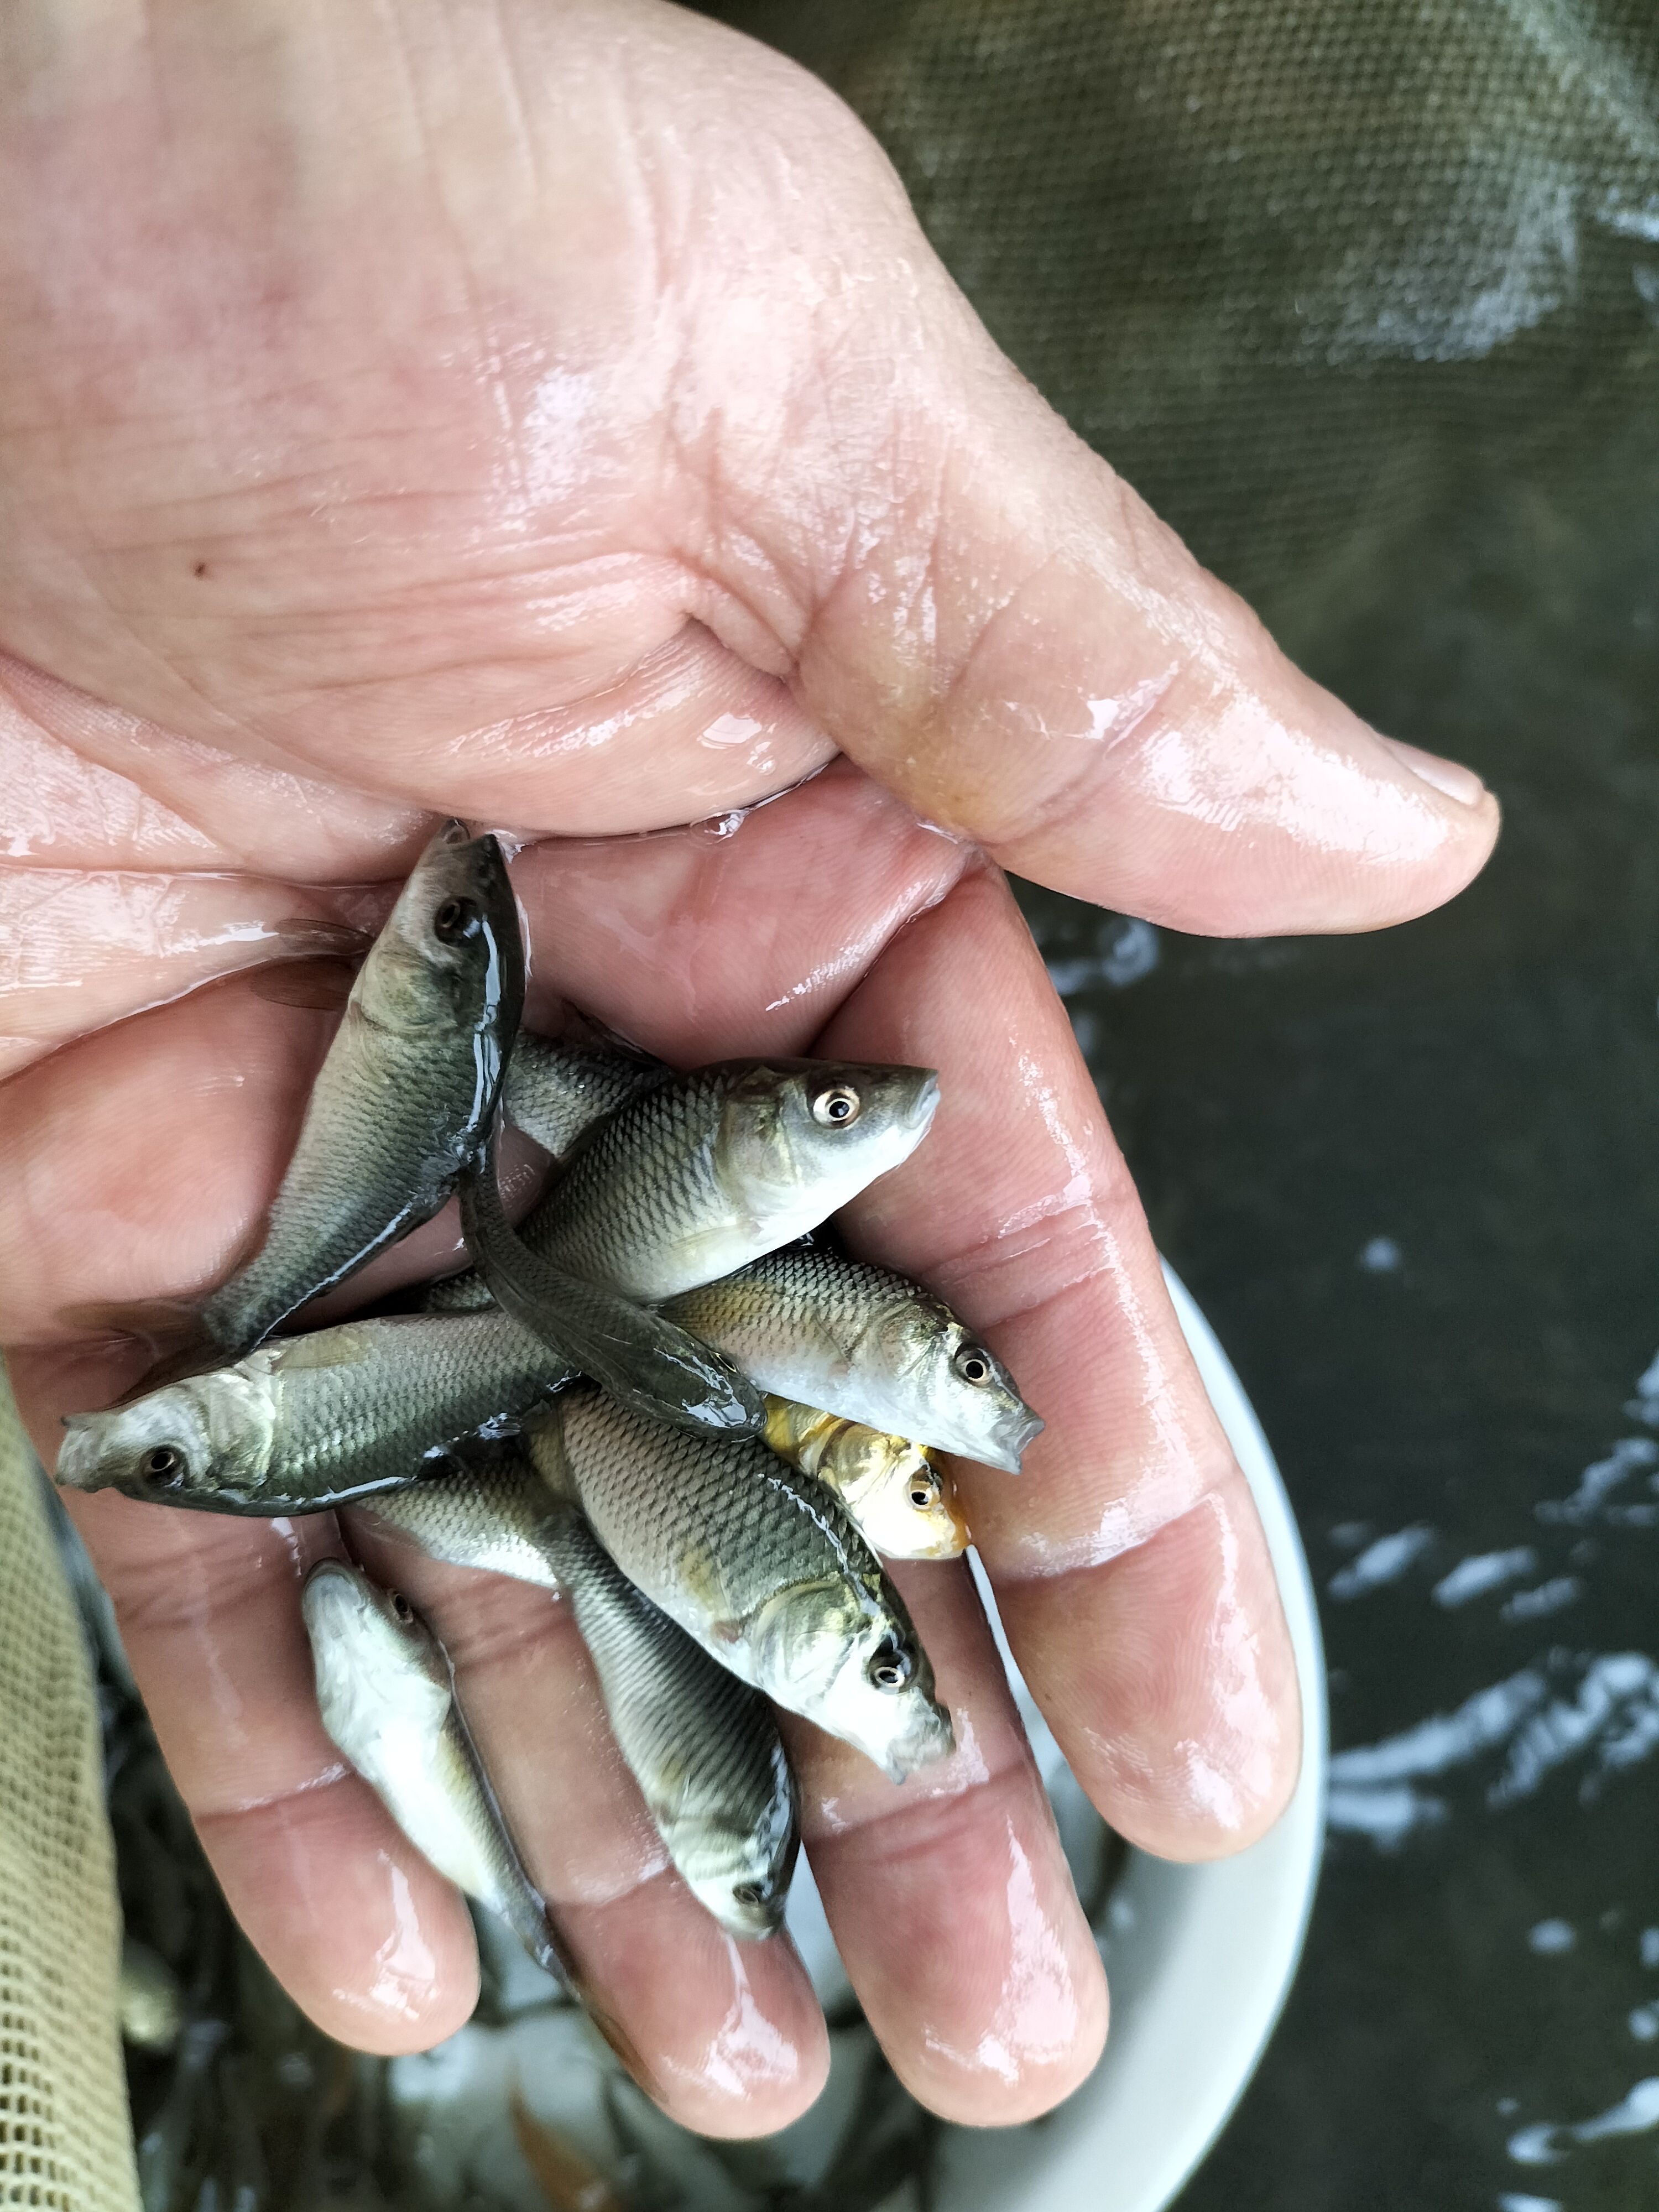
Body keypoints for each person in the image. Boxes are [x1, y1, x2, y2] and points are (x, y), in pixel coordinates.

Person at [0, 0, 1497, 2139]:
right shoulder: (654, 1319)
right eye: (831, 1119)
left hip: (589, 1335)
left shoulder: (661, 1384)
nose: (866, 1122)